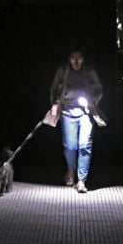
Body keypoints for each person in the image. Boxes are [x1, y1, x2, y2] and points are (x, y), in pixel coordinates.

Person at [49, 47, 103, 193]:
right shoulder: (63, 71)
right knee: (70, 146)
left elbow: (99, 89)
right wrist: (55, 102)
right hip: (67, 111)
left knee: (85, 145)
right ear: (69, 59)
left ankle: (81, 180)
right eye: (73, 59)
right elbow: (54, 89)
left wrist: (93, 101)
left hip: (86, 112)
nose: (76, 62)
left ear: (83, 59)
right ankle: (70, 170)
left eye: (79, 59)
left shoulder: (89, 71)